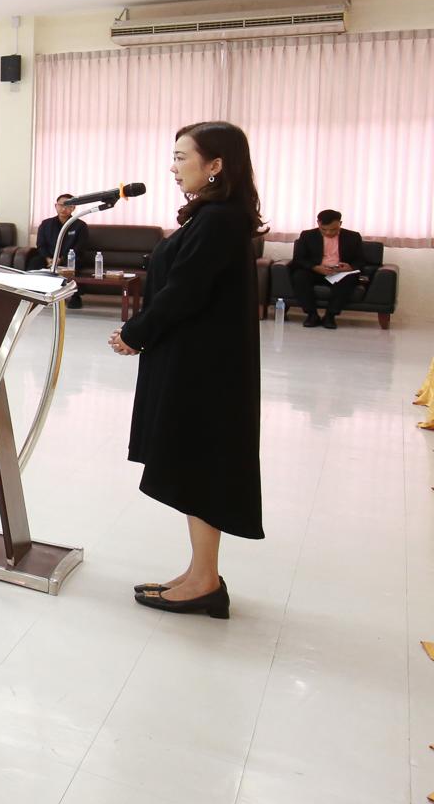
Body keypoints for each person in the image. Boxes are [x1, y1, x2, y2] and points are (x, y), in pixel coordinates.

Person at [110, 121, 263, 619]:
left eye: (181, 157)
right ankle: (202, 572)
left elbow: (185, 290)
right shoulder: (214, 216)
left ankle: (204, 582)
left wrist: (135, 332)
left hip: (204, 369)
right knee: (195, 464)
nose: (172, 167)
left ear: (215, 165)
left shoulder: (219, 220)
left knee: (199, 466)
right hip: (197, 359)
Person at [288, 209, 372, 329]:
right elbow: (299, 259)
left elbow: (361, 260)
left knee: (349, 279)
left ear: (340, 224)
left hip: (339, 272)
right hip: (315, 271)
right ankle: (312, 315)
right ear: (318, 223)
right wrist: (316, 267)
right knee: (299, 276)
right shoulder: (307, 235)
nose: (328, 233)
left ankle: (330, 316)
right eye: (324, 229)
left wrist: (350, 267)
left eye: (333, 229)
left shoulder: (353, 237)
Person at [35, 192, 89, 309]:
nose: (64, 209)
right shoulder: (46, 224)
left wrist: (61, 259)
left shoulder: (80, 225)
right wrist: (48, 258)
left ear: (73, 208)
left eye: (68, 206)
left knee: (76, 264)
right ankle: (36, 294)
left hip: (70, 258)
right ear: (56, 206)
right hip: (49, 258)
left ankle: (75, 296)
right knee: (34, 262)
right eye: (61, 205)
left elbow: (80, 246)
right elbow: (40, 244)